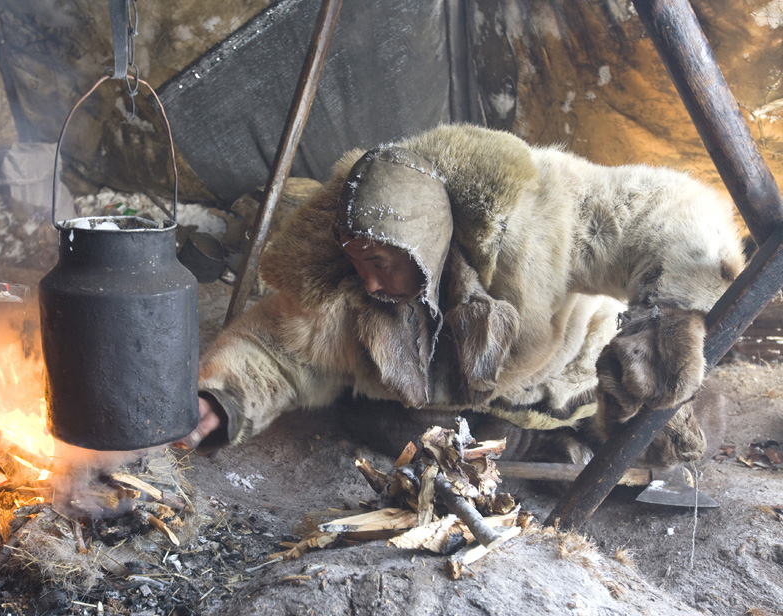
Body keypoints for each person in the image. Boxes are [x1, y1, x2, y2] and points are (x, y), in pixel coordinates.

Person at [178, 124, 745, 467]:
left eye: (380, 264)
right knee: (389, 428)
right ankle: (533, 447)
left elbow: (655, 208)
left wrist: (665, 317)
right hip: (454, 413)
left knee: (693, 425)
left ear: (425, 245)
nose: (370, 282)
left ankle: (579, 430)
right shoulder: (349, 295)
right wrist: (222, 400)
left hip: (572, 373)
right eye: (358, 264)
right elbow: (276, 347)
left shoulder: (536, 210)